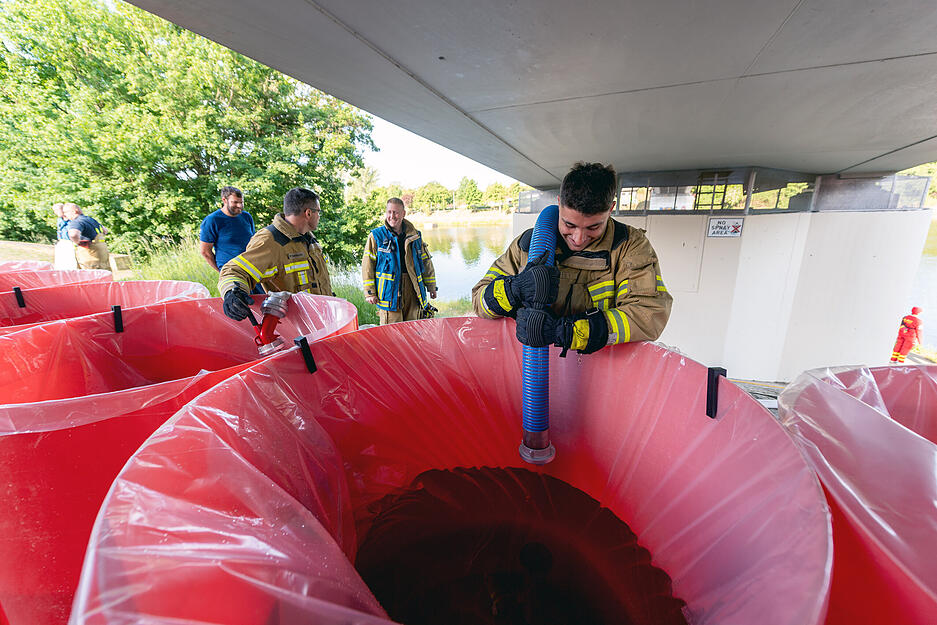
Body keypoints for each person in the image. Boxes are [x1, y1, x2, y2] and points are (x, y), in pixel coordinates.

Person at [472, 162, 672, 355]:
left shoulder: (629, 245)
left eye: (593, 227)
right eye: (569, 225)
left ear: (611, 209)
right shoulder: (527, 244)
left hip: (599, 372)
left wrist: (569, 332)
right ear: (559, 204)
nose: (578, 238)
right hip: (529, 366)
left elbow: (649, 316)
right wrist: (512, 289)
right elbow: (480, 302)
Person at [219, 187, 332, 321]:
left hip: (322, 320)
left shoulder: (308, 238)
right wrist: (232, 293)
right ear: (308, 213)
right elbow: (233, 271)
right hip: (297, 329)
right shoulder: (271, 240)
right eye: (318, 212)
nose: (319, 216)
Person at [361, 197, 437, 324]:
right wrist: (370, 292)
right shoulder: (376, 236)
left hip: (413, 290)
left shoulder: (415, 236)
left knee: (413, 331)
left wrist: (431, 287)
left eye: (396, 212)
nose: (392, 216)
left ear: (403, 214)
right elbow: (367, 265)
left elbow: (426, 262)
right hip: (389, 293)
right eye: (389, 212)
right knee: (391, 335)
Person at [199, 186, 256, 273]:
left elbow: (253, 241)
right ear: (224, 200)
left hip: (252, 267)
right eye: (235, 202)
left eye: (241, 202)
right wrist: (222, 272)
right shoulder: (212, 220)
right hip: (231, 270)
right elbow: (205, 252)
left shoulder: (246, 216)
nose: (240, 206)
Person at [63, 203, 110, 270]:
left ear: (74, 211)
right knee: (105, 274)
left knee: (91, 276)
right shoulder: (91, 219)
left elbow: (73, 234)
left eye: (66, 212)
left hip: (90, 255)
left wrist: (77, 242)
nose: (64, 214)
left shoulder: (76, 222)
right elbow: (105, 230)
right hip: (103, 253)